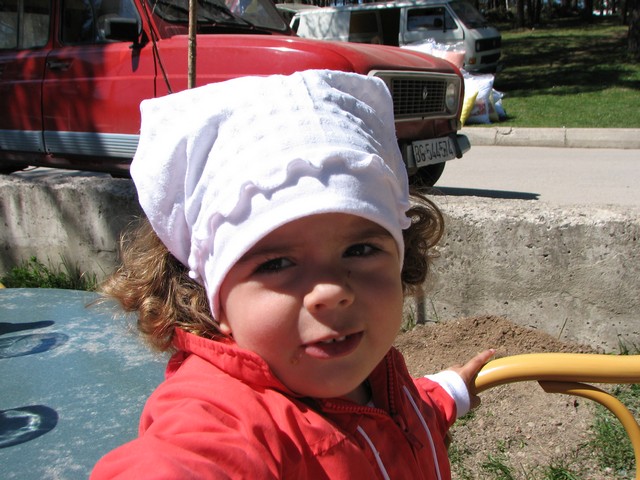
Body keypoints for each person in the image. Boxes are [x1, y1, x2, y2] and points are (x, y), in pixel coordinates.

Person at [91, 69, 494, 479]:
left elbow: (401, 416)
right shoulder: (222, 418)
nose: (331, 290)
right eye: (277, 263)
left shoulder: (375, 371)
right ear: (214, 297)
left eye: (360, 250)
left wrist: (450, 391)